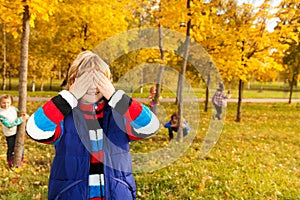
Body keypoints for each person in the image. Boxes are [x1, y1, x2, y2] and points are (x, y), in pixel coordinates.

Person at [26, 50, 159, 200]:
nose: (92, 86)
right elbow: (35, 129)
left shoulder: (119, 113)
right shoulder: (63, 114)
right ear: (73, 82)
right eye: (85, 79)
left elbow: (150, 125)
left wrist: (115, 97)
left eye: (99, 79)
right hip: (71, 194)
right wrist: (70, 97)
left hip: (117, 194)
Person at [0, 94, 28, 168]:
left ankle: (20, 160)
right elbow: (9, 125)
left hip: (17, 131)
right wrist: (20, 119)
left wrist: (25, 116)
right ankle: (10, 161)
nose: (6, 104)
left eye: (8, 102)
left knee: (21, 146)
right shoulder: (1, 114)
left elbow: (20, 113)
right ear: (0, 103)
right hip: (10, 134)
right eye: (4, 103)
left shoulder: (13, 108)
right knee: (11, 147)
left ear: (11, 102)